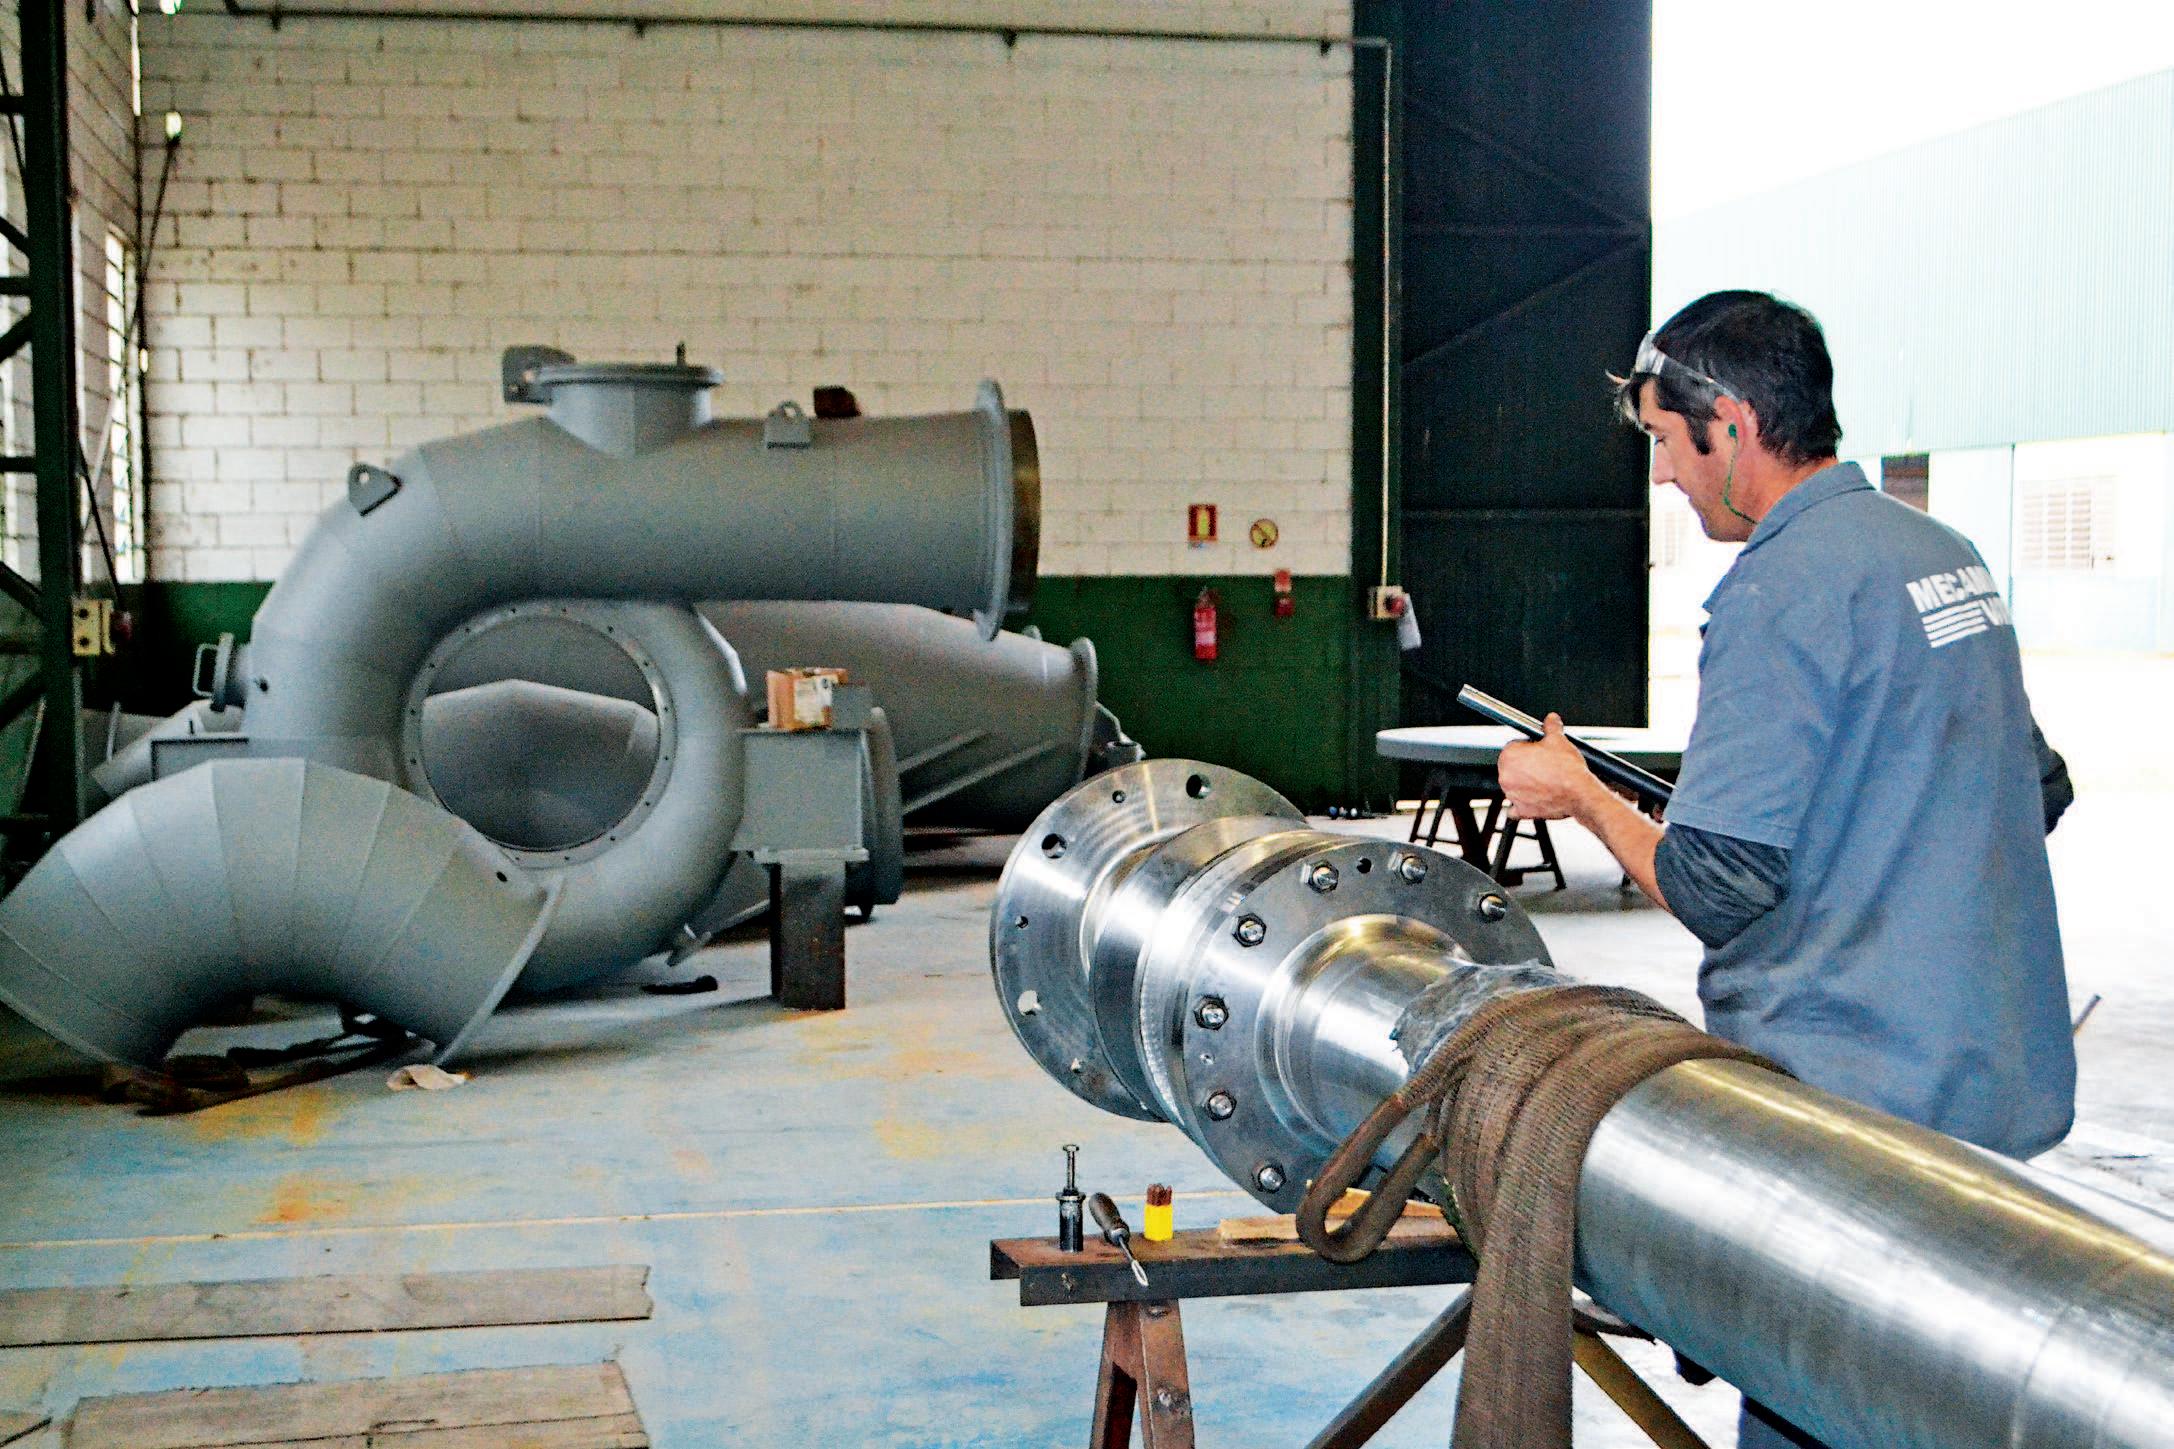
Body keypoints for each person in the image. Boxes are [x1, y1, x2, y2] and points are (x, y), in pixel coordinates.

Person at [1494, 290, 2076, 1449]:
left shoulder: (1778, 588)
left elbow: (1714, 888)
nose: (1662, 475)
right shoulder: (1938, 555)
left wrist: (1581, 796)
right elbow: (2035, 788)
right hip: (1989, 1081)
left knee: (1821, 1408)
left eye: (1667, 442)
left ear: (1731, 425)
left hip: (1854, 1116)